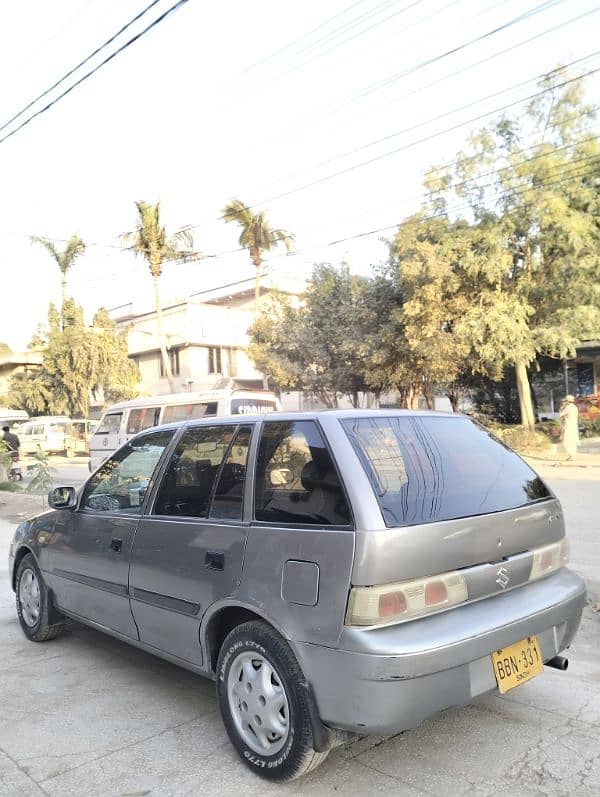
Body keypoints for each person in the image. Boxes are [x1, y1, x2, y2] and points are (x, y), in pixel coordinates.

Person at [559, 395, 579, 461]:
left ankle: (571, 455)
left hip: (569, 426)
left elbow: (560, 414)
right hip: (574, 426)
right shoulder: (575, 407)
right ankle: (572, 456)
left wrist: (562, 408)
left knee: (568, 441)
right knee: (573, 441)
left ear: (567, 401)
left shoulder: (567, 408)